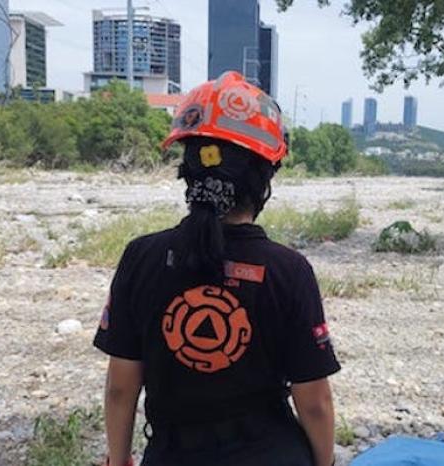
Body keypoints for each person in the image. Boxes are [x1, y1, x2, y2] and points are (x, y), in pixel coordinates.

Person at [93, 71, 341, 466]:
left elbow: (121, 388)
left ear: (188, 172)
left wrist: (119, 459)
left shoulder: (141, 257)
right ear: (263, 178)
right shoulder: (288, 270)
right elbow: (314, 401)